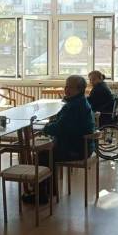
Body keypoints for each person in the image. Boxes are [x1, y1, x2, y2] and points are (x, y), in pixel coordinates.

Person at [23, 75, 95, 204]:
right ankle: (50, 190)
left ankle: (41, 195)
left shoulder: (74, 106)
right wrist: (51, 126)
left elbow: (61, 128)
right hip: (81, 146)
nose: (66, 89)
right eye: (66, 86)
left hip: (76, 150)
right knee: (47, 152)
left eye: (70, 87)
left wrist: (45, 128)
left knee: (42, 155)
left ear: (79, 89)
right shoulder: (78, 102)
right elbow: (62, 124)